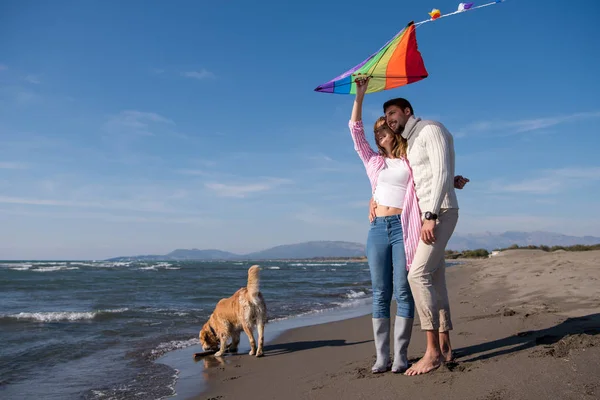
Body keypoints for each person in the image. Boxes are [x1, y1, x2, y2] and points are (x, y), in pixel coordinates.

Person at [375, 96, 465, 376]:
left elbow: (439, 172)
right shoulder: (411, 142)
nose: (390, 119)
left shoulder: (430, 129)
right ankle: (445, 344)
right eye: (386, 116)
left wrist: (431, 215)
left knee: (416, 275)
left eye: (392, 113)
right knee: (435, 277)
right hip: (426, 215)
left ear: (407, 111)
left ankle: (432, 353)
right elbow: (429, 177)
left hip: (438, 214)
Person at [348, 77, 422, 374]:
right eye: (376, 132)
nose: (379, 136)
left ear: (394, 132)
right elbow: (355, 132)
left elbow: (428, 178)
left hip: (404, 228)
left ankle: (401, 355)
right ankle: (382, 357)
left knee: (403, 291)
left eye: (384, 131)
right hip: (378, 229)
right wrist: (360, 95)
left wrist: (452, 180)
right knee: (380, 292)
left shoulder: (409, 160)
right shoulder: (373, 163)